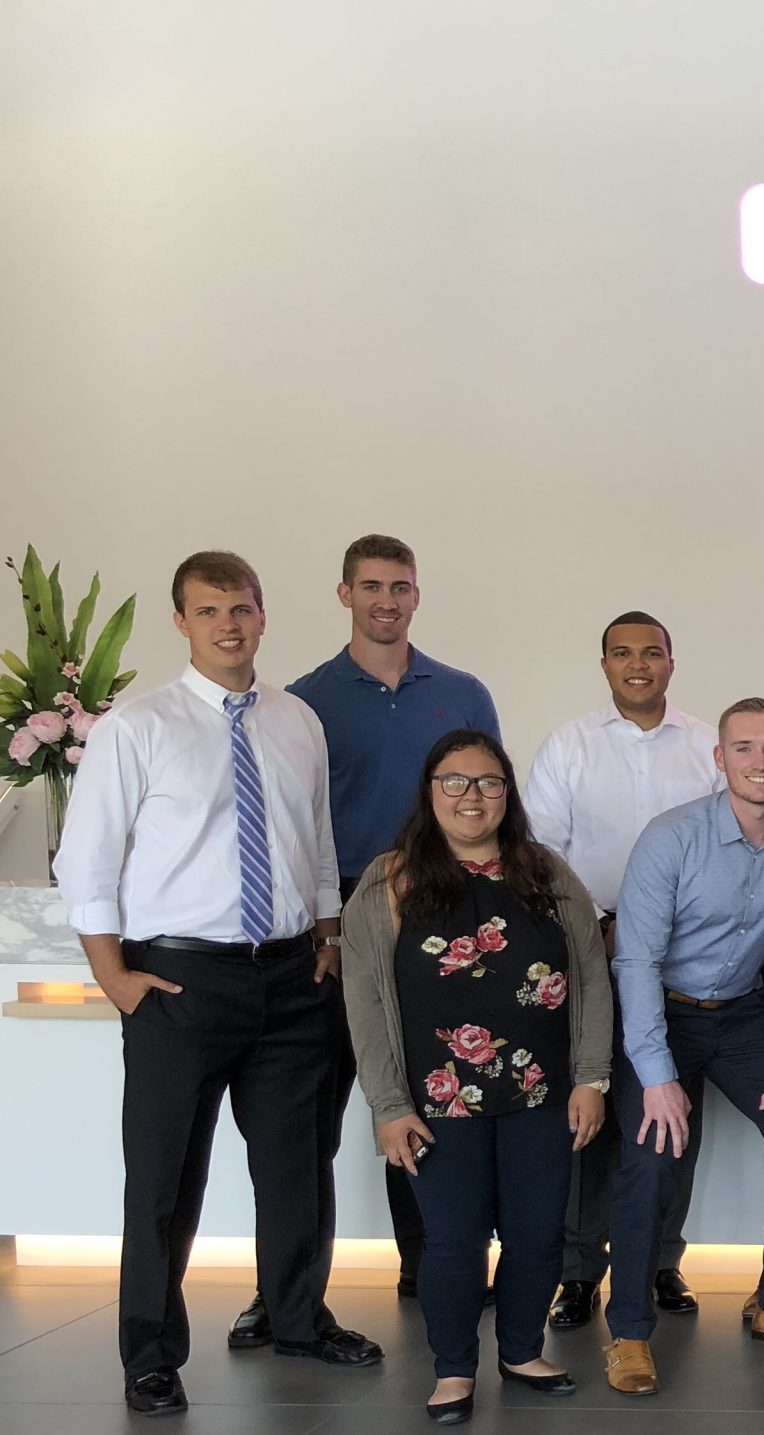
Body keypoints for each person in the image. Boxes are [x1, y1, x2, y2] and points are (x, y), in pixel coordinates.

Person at [55, 551, 380, 1418]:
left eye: (240, 608)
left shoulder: (297, 720)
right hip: (179, 979)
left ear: (262, 615)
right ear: (182, 622)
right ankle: (151, 1354)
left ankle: (298, 1317)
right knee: (164, 1179)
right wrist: (114, 976)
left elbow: (316, 843)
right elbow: (87, 859)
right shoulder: (137, 727)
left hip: (291, 974)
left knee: (297, 1164)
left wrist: (328, 936)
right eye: (208, 611)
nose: (228, 625)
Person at [338, 730, 607, 1423]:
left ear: (507, 793)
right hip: (437, 1101)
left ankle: (521, 1351)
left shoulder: (547, 874)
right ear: (429, 792)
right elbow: (364, 1000)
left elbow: (591, 976)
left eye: (488, 782)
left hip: (542, 1093)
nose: (472, 796)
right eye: (454, 781)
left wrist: (592, 1077)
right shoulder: (390, 881)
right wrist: (387, 1104)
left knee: (538, 1235)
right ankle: (454, 1368)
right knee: (454, 1241)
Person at [273, 534, 504, 1329]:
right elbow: (293, 822)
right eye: (370, 586)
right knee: (310, 1115)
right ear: (345, 594)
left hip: (445, 914)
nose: (386, 600)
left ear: (416, 594)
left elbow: (490, 806)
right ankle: (287, 1296)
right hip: (340, 917)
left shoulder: (463, 692)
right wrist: (327, 929)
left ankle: (435, 1266)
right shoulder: (304, 702)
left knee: (436, 1095)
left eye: (399, 586)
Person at [599, 698, 764, 1396]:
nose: (759, 762)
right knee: (651, 1157)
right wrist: (656, 1076)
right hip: (659, 1013)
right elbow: (636, 962)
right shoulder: (671, 837)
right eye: (743, 747)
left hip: (741, 1015)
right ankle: (628, 1332)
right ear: (720, 758)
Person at [522, 612, 720, 1329]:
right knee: (590, 1111)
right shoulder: (568, 746)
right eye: (622, 653)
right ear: (604, 663)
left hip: (684, 954)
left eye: (652, 652)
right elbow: (541, 855)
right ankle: (579, 1272)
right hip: (591, 948)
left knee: (672, 1107)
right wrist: (595, 929)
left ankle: (662, 1260)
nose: (638, 664)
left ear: (672, 662)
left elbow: (724, 845)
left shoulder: (706, 746)